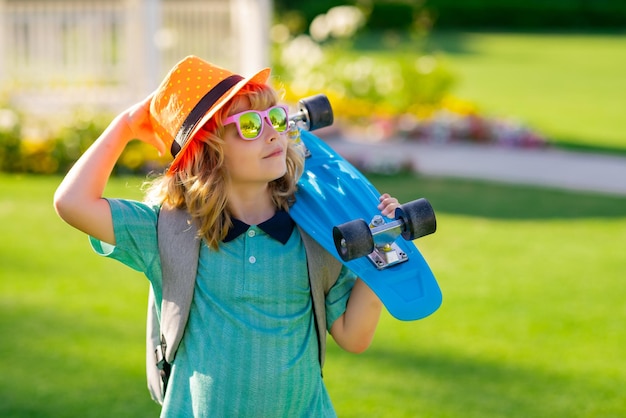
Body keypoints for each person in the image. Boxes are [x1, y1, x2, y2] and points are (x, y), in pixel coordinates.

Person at [53, 55, 400, 417]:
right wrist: (125, 125)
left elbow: (353, 336)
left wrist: (386, 242)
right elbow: (73, 203)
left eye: (276, 118)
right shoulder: (169, 231)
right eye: (250, 125)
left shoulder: (314, 231)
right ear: (208, 153)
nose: (272, 133)